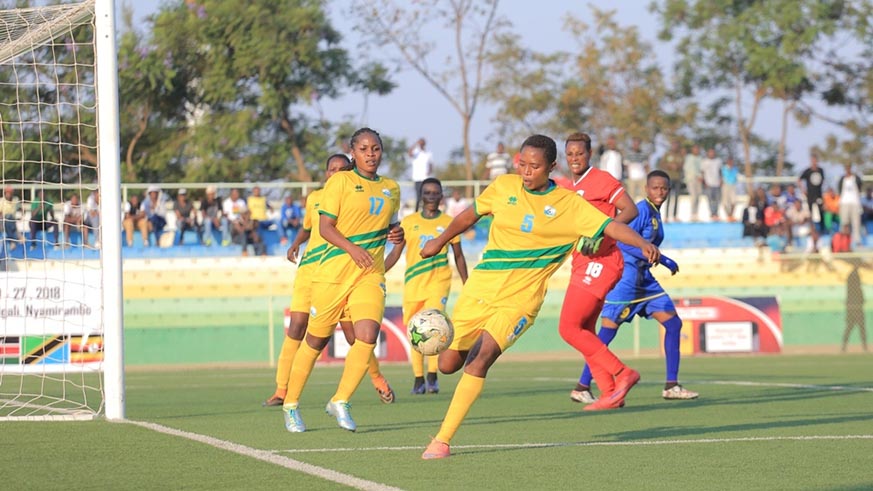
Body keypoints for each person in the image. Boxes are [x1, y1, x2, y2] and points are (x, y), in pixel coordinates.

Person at [418, 135, 659, 460]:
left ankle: (442, 440)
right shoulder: (503, 186)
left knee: (480, 360)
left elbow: (611, 228)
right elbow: (469, 216)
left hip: (520, 301)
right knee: (448, 365)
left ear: (551, 168)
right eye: (522, 164)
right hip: (480, 291)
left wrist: (642, 244)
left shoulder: (569, 205)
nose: (527, 171)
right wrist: (440, 240)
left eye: (535, 166)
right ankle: (466, 352)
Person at [281, 128, 404, 433]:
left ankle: (341, 400)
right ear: (354, 152)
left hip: (369, 274)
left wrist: (398, 236)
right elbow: (325, 228)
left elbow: (393, 228)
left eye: (375, 148)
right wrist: (352, 248)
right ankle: (291, 405)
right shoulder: (341, 182)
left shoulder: (392, 188)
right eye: (364, 149)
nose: (370, 154)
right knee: (315, 340)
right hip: (333, 275)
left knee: (367, 335)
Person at [576, 170, 698, 406]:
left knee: (673, 324)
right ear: (646, 189)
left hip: (645, 280)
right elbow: (620, 240)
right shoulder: (641, 210)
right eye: (655, 188)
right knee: (607, 332)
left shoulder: (655, 213)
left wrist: (658, 259)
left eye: (664, 188)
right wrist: (662, 259)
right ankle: (582, 385)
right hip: (628, 280)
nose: (660, 192)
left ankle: (671, 385)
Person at [555, 132, 639, 406]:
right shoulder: (567, 188)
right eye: (570, 154)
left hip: (602, 261)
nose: (575, 158)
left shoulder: (601, 180)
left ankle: (622, 373)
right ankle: (609, 390)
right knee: (584, 329)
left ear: (589, 154)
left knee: (568, 328)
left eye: (579, 153)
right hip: (583, 261)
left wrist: (603, 234)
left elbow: (629, 210)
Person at [385, 177, 469, 395]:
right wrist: (377, 271)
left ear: (441, 196)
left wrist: (467, 283)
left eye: (435, 193)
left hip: (438, 282)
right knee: (416, 331)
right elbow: (395, 252)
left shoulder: (451, 222)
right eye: (427, 193)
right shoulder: (408, 222)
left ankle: (432, 376)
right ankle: (418, 378)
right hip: (413, 284)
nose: (431, 196)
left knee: (434, 325)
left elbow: (458, 256)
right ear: (421, 196)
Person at [842, 259, 868, 352]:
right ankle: (845, 346)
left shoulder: (853, 275)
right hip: (854, 305)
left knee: (854, 327)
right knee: (854, 327)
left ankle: (845, 347)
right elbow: (856, 290)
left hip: (854, 305)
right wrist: (861, 300)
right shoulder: (854, 275)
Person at [657, 139, 684, 222]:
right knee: (667, 197)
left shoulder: (680, 155)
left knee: (676, 197)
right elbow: (661, 164)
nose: (675, 147)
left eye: (677, 145)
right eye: (674, 145)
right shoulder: (667, 154)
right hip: (668, 179)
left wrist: (677, 166)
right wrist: (669, 165)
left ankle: (675, 215)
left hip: (677, 178)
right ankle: (666, 216)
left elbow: (683, 165)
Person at [837, 164, 863, 246]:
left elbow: (859, 187)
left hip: (855, 203)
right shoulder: (842, 179)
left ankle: (857, 241)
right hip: (844, 203)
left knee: (856, 223)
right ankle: (843, 241)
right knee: (844, 223)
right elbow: (839, 190)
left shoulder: (856, 178)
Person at [798, 152, 825, 231]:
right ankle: (812, 230)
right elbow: (799, 180)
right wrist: (803, 189)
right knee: (811, 213)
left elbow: (823, 181)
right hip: (810, 195)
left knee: (821, 212)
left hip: (818, 195)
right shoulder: (808, 171)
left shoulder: (820, 170)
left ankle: (821, 230)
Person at [408, 137, 434, 211]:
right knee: (418, 197)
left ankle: (424, 211)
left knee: (425, 196)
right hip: (417, 178)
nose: (422, 144)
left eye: (423, 143)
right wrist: (416, 144)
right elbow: (409, 153)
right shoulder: (416, 152)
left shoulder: (428, 153)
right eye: (421, 143)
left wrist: (429, 173)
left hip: (425, 178)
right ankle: (416, 212)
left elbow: (431, 165)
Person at [623, 137, 649, 201]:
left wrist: (648, 176)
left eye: (637, 143)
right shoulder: (628, 154)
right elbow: (625, 165)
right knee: (631, 196)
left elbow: (646, 166)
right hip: (631, 177)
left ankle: (644, 209)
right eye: (634, 143)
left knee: (644, 195)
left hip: (642, 177)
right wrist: (626, 176)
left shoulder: (643, 154)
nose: (636, 145)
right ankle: (632, 210)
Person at [700, 148, 722, 221]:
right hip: (708, 183)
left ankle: (716, 213)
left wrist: (721, 180)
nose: (711, 154)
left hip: (717, 183)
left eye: (713, 152)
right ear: (708, 153)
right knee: (710, 200)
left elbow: (720, 171)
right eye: (710, 152)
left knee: (717, 199)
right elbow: (702, 172)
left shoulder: (718, 161)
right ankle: (712, 214)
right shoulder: (704, 161)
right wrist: (704, 182)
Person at [683, 144, 703, 221]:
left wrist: (701, 176)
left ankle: (696, 214)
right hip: (691, 180)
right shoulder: (689, 158)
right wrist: (696, 175)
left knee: (698, 197)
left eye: (697, 149)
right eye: (695, 149)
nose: (696, 150)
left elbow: (701, 168)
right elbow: (687, 169)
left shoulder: (700, 158)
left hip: (699, 180)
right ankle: (692, 213)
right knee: (693, 196)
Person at [721, 157, 739, 221]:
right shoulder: (724, 168)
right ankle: (728, 215)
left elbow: (736, 177)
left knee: (734, 201)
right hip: (725, 185)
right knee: (725, 201)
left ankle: (731, 215)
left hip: (733, 185)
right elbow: (722, 176)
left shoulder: (735, 169)